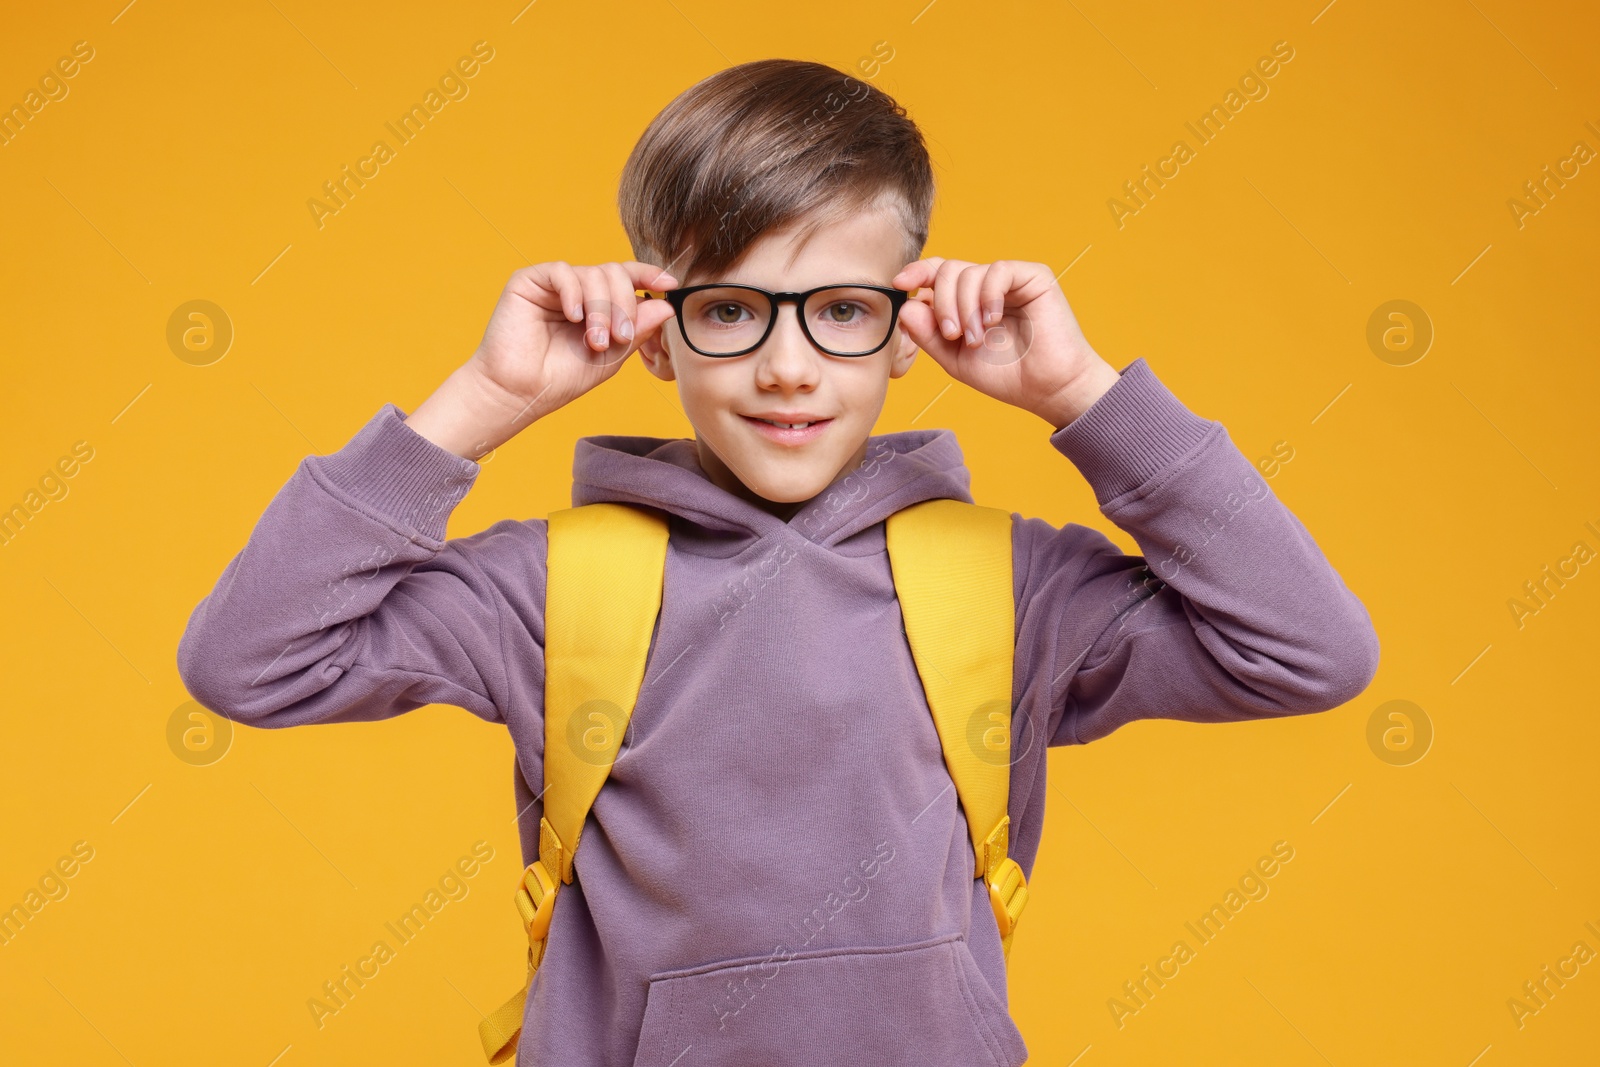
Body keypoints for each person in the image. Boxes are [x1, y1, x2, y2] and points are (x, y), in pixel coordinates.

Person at [176, 57, 1380, 1067]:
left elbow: (1308, 651)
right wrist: (481, 402)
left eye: (840, 311)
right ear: (658, 332)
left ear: (905, 331)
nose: (789, 366)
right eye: (732, 310)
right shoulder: (557, 589)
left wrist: (1083, 396)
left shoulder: (1006, 588)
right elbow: (248, 663)